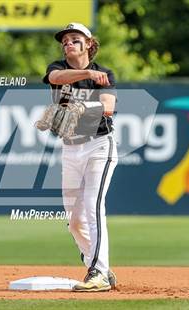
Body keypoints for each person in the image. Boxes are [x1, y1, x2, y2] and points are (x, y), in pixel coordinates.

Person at [42, 23, 118, 292]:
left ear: (89, 44)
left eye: (75, 39)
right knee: (74, 220)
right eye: (65, 41)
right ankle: (100, 265)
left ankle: (97, 271)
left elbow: (108, 108)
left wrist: (82, 105)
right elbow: (55, 79)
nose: (68, 43)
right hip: (71, 148)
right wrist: (85, 72)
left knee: (93, 206)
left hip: (99, 145)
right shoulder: (57, 68)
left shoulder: (105, 74)